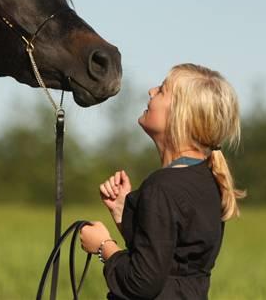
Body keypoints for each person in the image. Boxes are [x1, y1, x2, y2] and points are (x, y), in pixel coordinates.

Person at [80, 63, 246, 299]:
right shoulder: (206, 179)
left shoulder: (162, 187)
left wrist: (103, 246)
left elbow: (142, 283)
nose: (151, 91)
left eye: (162, 90)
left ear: (181, 115)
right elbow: (169, 258)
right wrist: (122, 213)